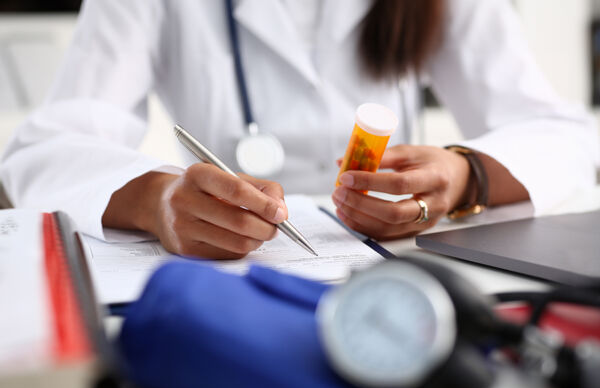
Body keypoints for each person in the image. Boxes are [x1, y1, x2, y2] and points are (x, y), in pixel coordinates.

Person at [1, 0, 598, 259]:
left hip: (400, 272)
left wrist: (465, 176)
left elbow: (562, 132)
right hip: (233, 277)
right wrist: (156, 199)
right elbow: (45, 147)